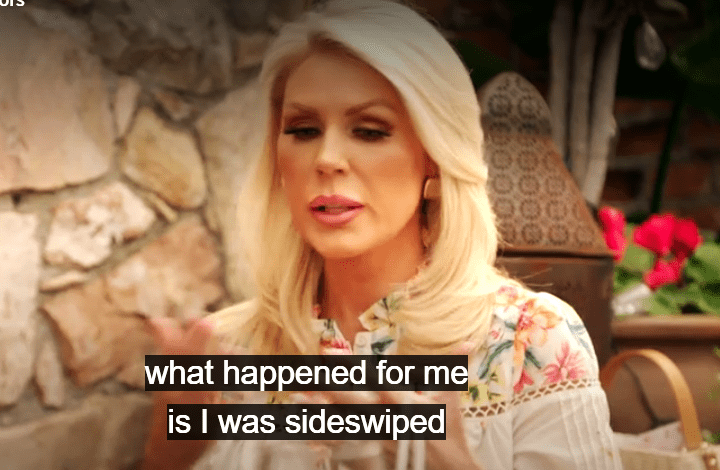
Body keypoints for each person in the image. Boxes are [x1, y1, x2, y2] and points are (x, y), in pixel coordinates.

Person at [142, 1, 622, 469]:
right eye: (304, 130)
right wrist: (169, 461)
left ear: (435, 158)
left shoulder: (531, 339)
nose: (327, 159)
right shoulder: (226, 350)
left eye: (370, 131)